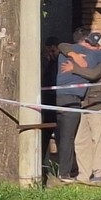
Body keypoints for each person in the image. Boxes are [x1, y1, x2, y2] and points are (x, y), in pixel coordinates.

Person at [55, 28, 101, 183]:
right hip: (80, 103)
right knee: (81, 140)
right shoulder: (81, 52)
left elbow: (93, 74)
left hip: (96, 103)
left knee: (98, 139)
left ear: (99, 47)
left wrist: (74, 68)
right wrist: (74, 55)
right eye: (88, 42)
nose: (88, 46)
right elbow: (63, 45)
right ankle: (83, 174)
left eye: (93, 45)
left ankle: (98, 173)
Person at [41, 36, 60, 172]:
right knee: (44, 137)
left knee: (60, 137)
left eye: (53, 51)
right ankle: (44, 164)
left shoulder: (58, 63)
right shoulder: (47, 63)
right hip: (47, 104)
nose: (51, 54)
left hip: (56, 103)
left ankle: (61, 166)